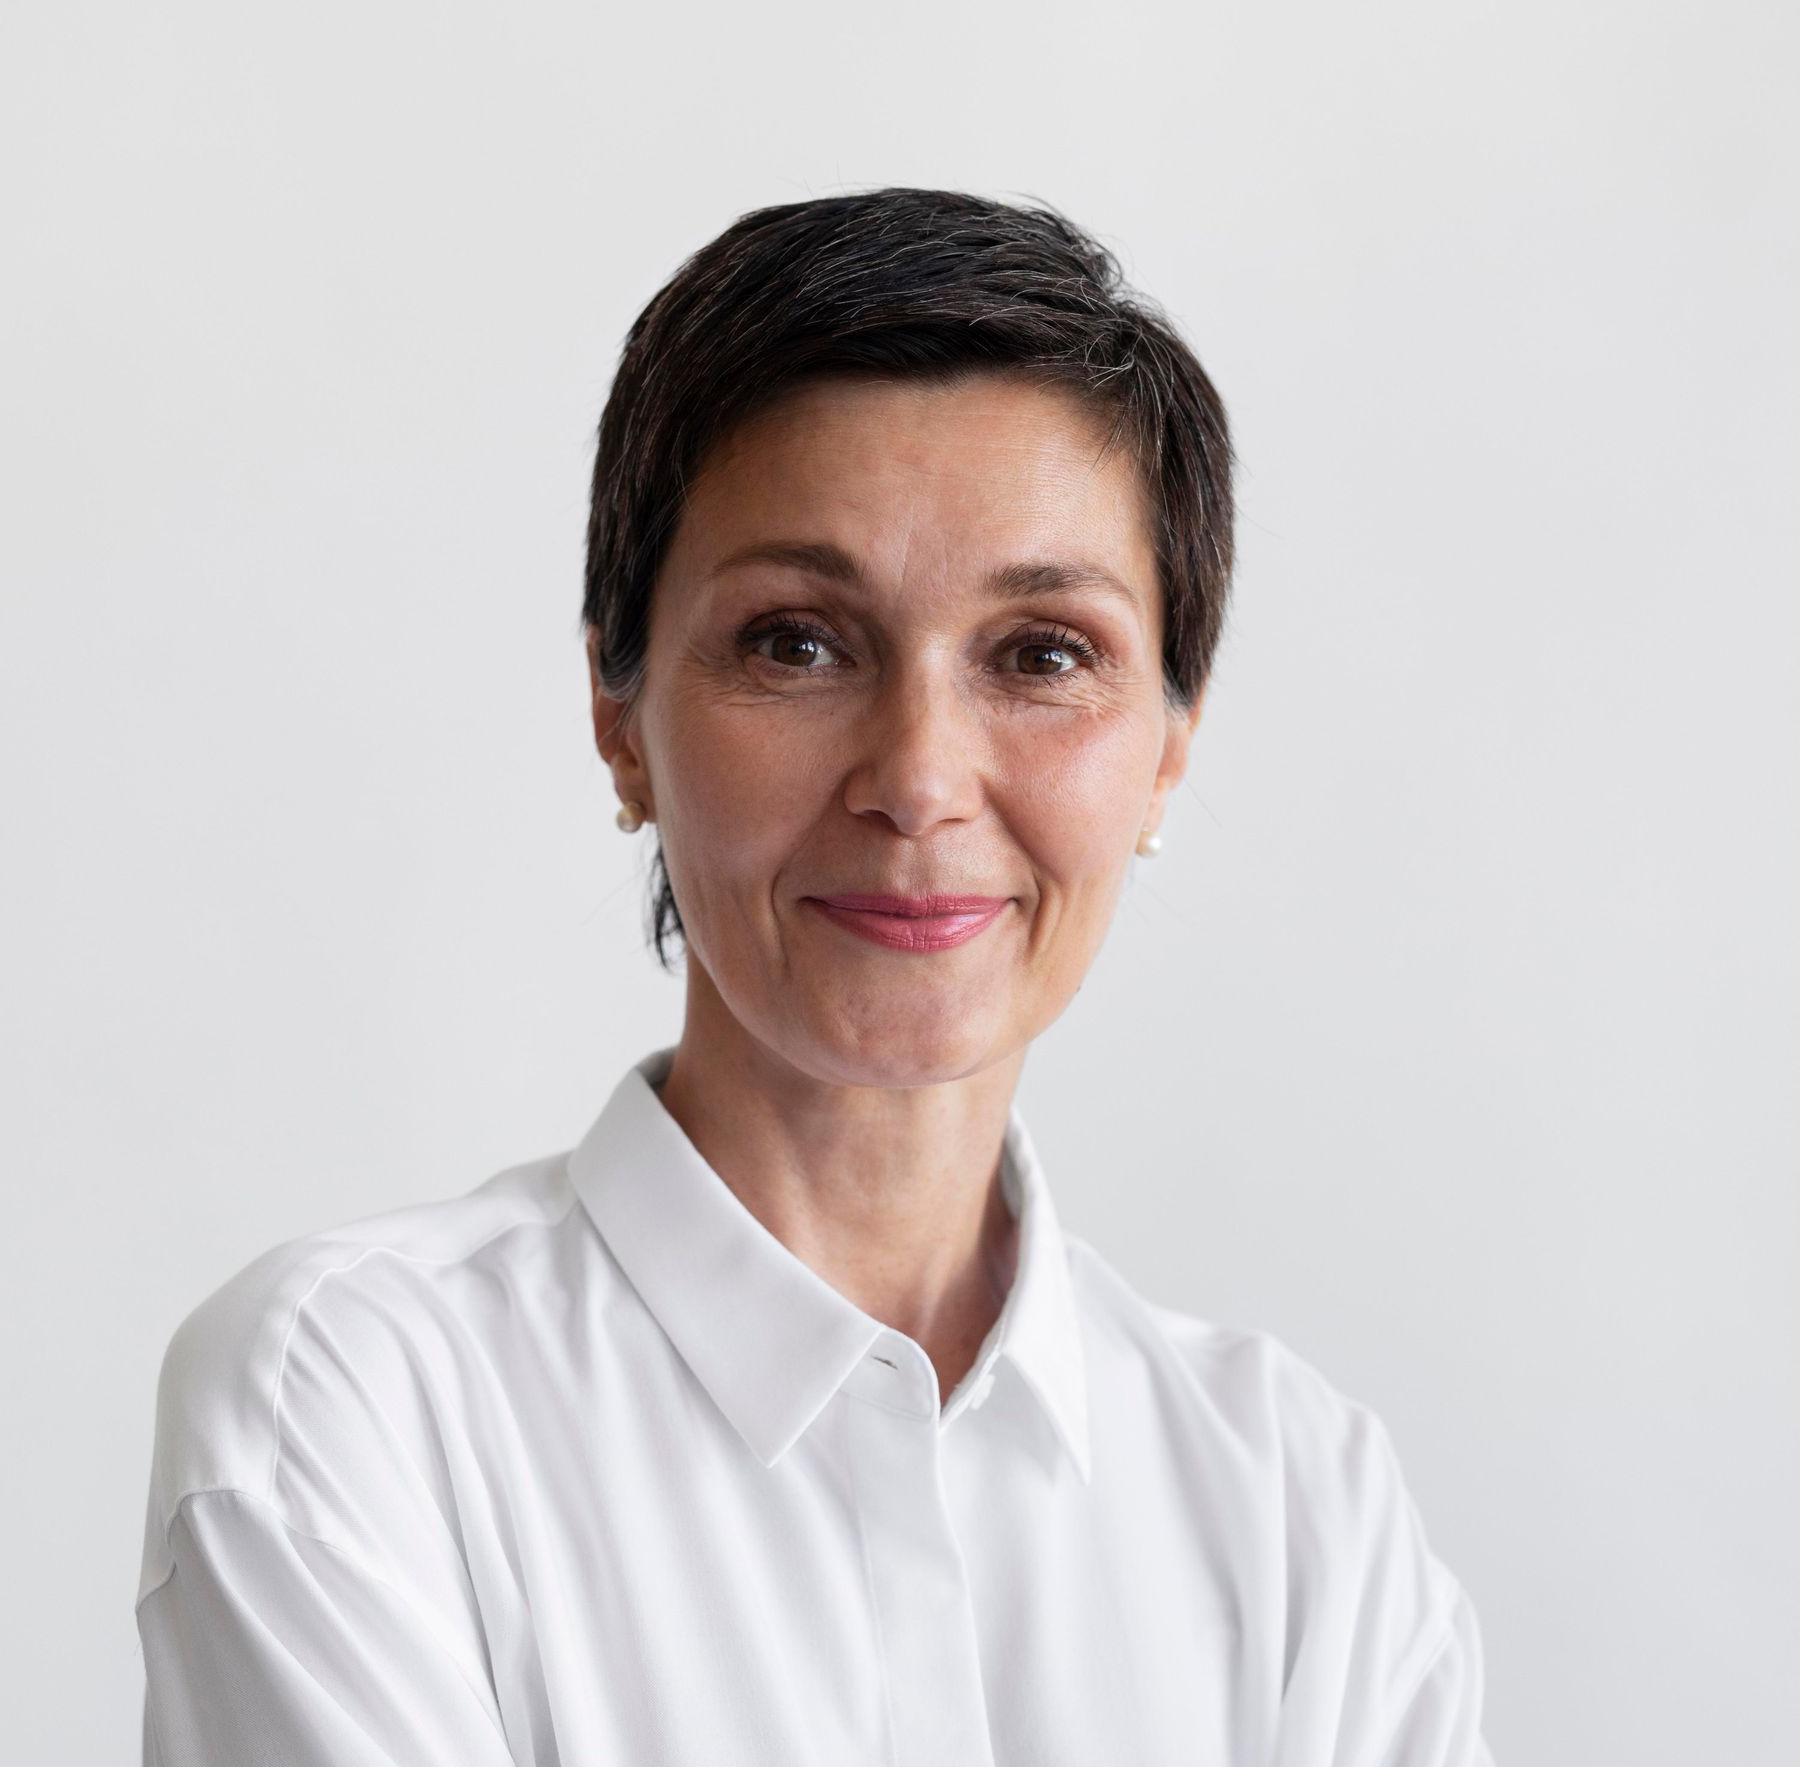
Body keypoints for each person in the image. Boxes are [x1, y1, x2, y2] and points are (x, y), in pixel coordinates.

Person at [134, 188, 1493, 1765]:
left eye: (1043, 652)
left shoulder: (1296, 1503)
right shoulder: (349, 1407)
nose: (919, 777)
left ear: (1171, 747)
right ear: (618, 710)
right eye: (795, 641)